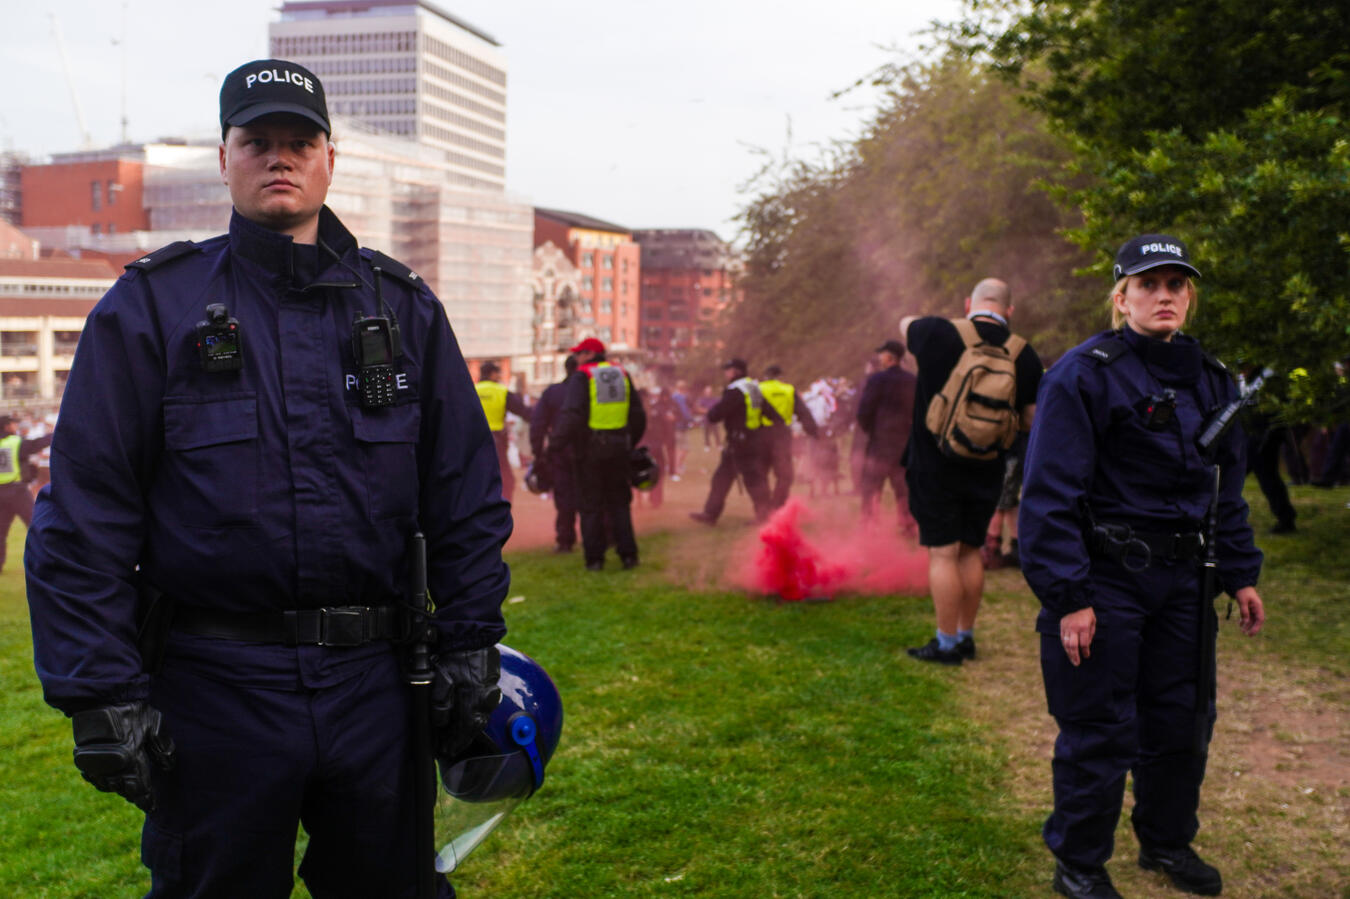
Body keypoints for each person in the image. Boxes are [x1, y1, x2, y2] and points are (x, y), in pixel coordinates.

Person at [24, 59, 511, 898]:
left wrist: (469, 641)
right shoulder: (151, 310)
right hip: (215, 690)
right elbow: (85, 517)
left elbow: (464, 494)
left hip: (377, 687)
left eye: (298, 141)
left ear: (330, 159)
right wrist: (101, 690)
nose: (278, 158)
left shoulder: (402, 310)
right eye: (258, 141)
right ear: (224, 157)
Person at [1019, 234, 1266, 899]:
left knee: (1181, 718)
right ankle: (1079, 861)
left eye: (1176, 285)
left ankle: (1165, 840)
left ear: (1189, 297)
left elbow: (1228, 491)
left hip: (1186, 582)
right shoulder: (1083, 373)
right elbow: (1049, 495)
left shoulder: (1213, 380)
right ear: (1121, 295)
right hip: (1107, 577)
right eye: (1149, 284)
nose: (1165, 295)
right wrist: (1069, 594)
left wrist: (1241, 573)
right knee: (1100, 723)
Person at [899, 278, 1042, 664]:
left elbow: (904, 324)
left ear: (969, 304)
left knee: (943, 554)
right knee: (970, 551)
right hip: (987, 468)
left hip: (934, 465)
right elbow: (1030, 419)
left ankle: (945, 645)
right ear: (1009, 311)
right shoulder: (1023, 354)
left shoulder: (937, 332)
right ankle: (966, 637)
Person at [554, 337, 646, 571]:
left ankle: (595, 559)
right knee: (619, 504)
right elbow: (638, 415)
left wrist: (555, 445)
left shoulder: (582, 376)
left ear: (589, 354)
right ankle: (628, 556)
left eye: (578, 353)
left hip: (590, 452)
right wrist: (628, 442)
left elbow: (572, 415)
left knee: (591, 506)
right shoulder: (621, 373)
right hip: (619, 449)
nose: (575, 358)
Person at [689, 358, 784, 526]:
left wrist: (710, 413)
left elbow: (717, 413)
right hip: (753, 440)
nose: (726, 372)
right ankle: (711, 514)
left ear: (736, 371)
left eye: (728, 369)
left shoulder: (735, 390)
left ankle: (764, 516)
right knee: (728, 478)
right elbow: (772, 413)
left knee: (750, 481)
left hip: (739, 443)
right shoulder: (753, 387)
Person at [856, 340, 917, 531]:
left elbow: (863, 412)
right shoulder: (912, 380)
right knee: (904, 488)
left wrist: (872, 431)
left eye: (882, 354)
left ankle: (869, 525)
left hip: (880, 445)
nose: (879, 358)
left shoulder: (876, 380)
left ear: (890, 357)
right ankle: (907, 525)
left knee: (872, 488)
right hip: (904, 444)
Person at [530, 355, 579, 552]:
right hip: (586, 451)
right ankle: (601, 536)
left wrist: (538, 452)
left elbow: (538, 423)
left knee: (564, 497)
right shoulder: (589, 390)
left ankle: (565, 540)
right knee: (592, 495)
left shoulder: (553, 392)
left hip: (559, 452)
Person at [758, 364, 819, 509]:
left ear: (765, 376)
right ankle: (777, 505)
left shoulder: (758, 389)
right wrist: (813, 431)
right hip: (781, 435)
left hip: (760, 434)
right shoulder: (788, 390)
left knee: (760, 473)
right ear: (780, 377)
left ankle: (763, 508)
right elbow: (803, 412)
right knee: (784, 475)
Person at [0, 414, 53, 573]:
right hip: (17, 491)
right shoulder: (14, 442)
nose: (16, 427)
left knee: (0, 533)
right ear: (7, 426)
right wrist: (56, 432)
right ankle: (47, 563)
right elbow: (37, 444)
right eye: (14, 424)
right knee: (36, 526)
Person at [475, 359, 530, 502]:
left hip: (474, 440)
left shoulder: (472, 390)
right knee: (505, 477)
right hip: (496, 441)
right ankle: (502, 506)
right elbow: (523, 411)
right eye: (498, 374)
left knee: (477, 475)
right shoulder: (501, 391)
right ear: (492, 374)